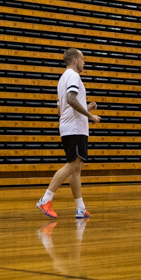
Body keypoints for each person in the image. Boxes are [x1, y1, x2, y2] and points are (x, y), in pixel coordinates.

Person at [38, 48, 99, 221]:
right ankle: (46, 199)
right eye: (82, 59)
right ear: (74, 60)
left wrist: (86, 108)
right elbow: (71, 100)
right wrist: (90, 116)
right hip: (75, 129)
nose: (84, 62)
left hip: (67, 128)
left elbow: (61, 110)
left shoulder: (62, 79)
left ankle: (80, 208)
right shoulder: (74, 76)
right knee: (72, 166)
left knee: (76, 169)